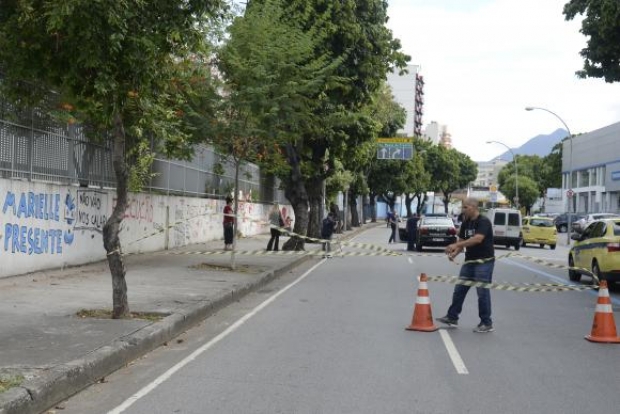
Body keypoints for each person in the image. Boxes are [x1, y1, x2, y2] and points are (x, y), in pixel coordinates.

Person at [437, 197, 496, 333]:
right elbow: (463, 241)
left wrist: (456, 245)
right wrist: (455, 253)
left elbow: (477, 239)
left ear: (474, 207)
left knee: (482, 292)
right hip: (470, 261)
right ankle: (452, 317)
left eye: (465, 207)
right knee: (459, 289)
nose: (463, 210)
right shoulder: (466, 222)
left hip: (484, 262)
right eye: (462, 207)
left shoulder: (483, 221)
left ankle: (486, 323)